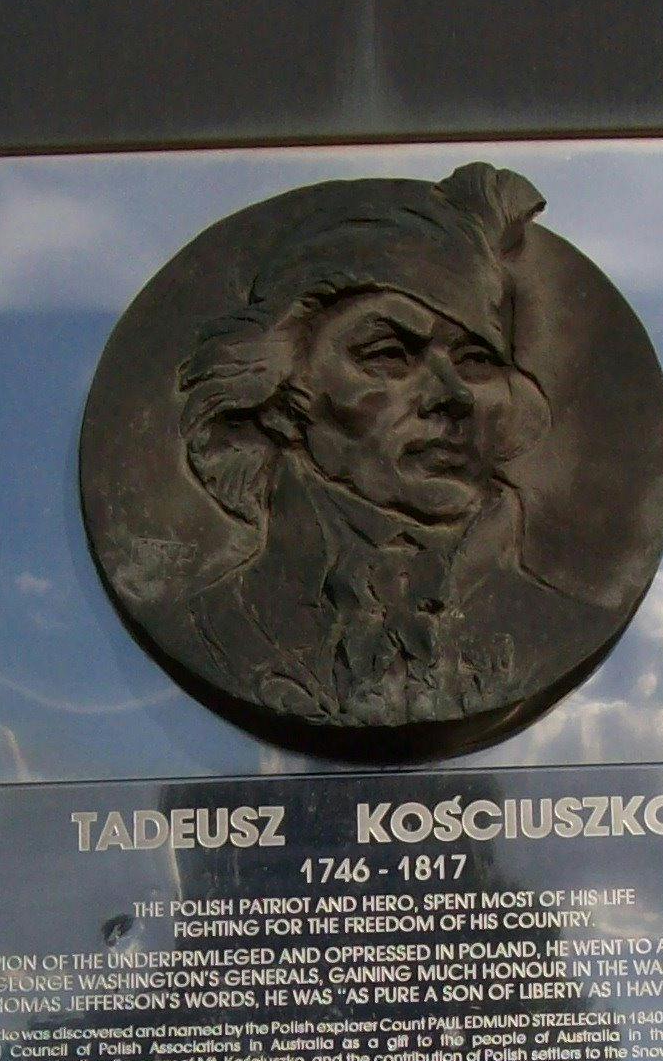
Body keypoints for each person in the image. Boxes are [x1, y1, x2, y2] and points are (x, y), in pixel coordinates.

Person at [171, 163, 611, 730]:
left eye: (476, 361)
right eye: (387, 354)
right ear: (284, 400)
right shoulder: (215, 626)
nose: (452, 396)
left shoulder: (559, 627)